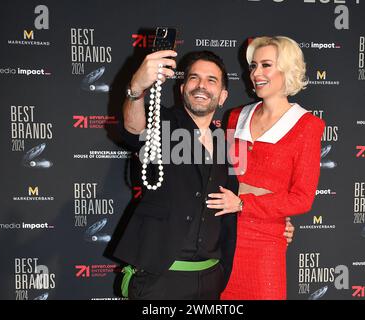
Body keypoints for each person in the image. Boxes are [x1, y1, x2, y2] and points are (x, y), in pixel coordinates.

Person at [110, 49, 295, 300]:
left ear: (222, 96)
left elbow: (237, 190)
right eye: (194, 78)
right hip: (159, 280)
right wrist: (136, 90)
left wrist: (274, 217)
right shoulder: (162, 122)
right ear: (182, 87)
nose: (202, 85)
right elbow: (134, 129)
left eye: (211, 80)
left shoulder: (225, 143)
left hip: (210, 280)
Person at [207, 36, 325, 300]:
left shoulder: (307, 126)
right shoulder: (236, 117)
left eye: (266, 65)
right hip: (221, 238)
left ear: (287, 69)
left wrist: (244, 204)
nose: (255, 73)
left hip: (264, 243)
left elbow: (302, 199)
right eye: (253, 66)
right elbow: (221, 174)